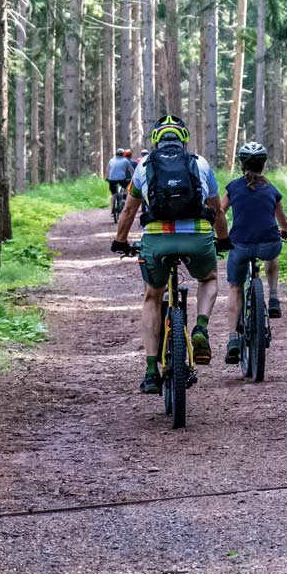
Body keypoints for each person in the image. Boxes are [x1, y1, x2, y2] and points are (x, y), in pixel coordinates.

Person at [111, 115, 232, 394]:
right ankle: (200, 327)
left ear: (155, 140)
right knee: (209, 278)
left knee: (152, 297)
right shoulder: (200, 164)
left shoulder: (144, 165)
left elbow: (129, 210)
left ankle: (152, 371)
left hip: (157, 239)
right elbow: (217, 209)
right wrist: (223, 239)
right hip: (197, 238)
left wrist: (120, 241)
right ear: (184, 138)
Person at [221, 142, 287, 363]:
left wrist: (220, 236)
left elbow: (219, 213)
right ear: (263, 164)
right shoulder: (272, 189)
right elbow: (282, 220)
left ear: (241, 164)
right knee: (273, 254)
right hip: (268, 243)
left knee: (235, 287)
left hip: (240, 245)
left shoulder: (233, 187)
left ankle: (233, 338)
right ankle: (273, 297)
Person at [105, 149, 135, 213]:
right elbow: (131, 170)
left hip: (111, 179)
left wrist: (107, 178)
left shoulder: (111, 160)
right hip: (121, 179)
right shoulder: (125, 160)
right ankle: (124, 197)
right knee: (126, 186)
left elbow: (107, 170)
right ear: (123, 154)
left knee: (113, 193)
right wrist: (133, 177)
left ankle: (112, 207)